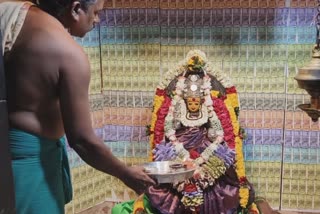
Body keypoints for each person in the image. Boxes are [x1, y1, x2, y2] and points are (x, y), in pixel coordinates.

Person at [0, 0, 155, 213]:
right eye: (96, 12)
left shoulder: (17, 15)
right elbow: (82, 140)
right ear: (76, 9)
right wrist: (126, 173)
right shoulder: (69, 54)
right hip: (30, 165)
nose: (98, 20)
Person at [112, 50, 273, 214]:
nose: (193, 104)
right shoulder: (177, 110)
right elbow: (168, 132)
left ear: (203, 100)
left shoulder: (211, 110)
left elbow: (219, 135)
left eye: (197, 100)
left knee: (224, 181)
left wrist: (207, 152)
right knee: (167, 178)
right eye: (190, 101)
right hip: (180, 152)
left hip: (208, 153)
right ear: (185, 100)